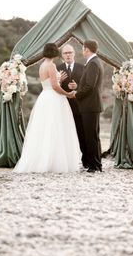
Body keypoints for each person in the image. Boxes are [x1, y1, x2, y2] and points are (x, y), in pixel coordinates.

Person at [13, 43, 80, 174]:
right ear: (54, 53)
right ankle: (54, 162)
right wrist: (68, 94)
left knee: (45, 129)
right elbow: (55, 86)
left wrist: (60, 79)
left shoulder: (42, 65)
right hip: (54, 98)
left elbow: (49, 83)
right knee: (56, 128)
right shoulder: (51, 65)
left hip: (44, 97)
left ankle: (43, 160)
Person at [73, 40, 104, 173]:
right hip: (92, 105)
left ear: (86, 49)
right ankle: (96, 164)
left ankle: (94, 165)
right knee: (94, 136)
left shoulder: (92, 63)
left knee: (91, 136)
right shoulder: (96, 62)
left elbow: (90, 86)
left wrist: (76, 94)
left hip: (90, 105)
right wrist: (78, 87)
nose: (83, 51)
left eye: (83, 49)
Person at [57, 44, 87, 168]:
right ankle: (64, 160)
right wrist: (59, 82)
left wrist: (77, 87)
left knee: (81, 133)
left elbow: (87, 86)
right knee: (63, 134)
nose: (68, 55)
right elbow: (53, 87)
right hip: (62, 107)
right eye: (65, 53)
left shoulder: (83, 67)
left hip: (79, 107)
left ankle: (85, 160)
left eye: (70, 52)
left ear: (74, 54)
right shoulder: (57, 68)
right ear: (62, 56)